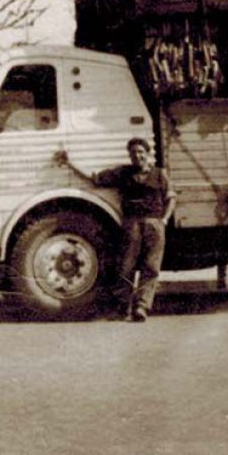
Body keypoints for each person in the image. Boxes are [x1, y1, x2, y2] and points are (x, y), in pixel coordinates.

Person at [54, 138, 176, 322]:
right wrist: (70, 164)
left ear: (148, 154)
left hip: (154, 223)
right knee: (126, 266)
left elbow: (171, 197)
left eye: (141, 152)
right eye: (133, 153)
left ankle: (141, 307)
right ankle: (124, 307)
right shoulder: (123, 173)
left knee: (151, 267)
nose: (137, 156)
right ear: (130, 155)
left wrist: (164, 220)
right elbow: (94, 178)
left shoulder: (160, 174)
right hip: (131, 224)